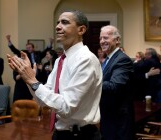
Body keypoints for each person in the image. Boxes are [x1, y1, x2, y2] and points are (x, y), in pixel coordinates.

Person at [7, 10, 102, 140]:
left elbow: (67, 107)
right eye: (57, 23)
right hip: (60, 133)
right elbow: (43, 101)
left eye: (64, 22)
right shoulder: (60, 60)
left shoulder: (86, 59)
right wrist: (28, 79)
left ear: (81, 30)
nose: (57, 26)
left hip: (81, 135)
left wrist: (33, 81)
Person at [99, 25, 135, 140]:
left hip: (117, 118)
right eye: (100, 38)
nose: (102, 41)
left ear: (117, 40)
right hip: (108, 114)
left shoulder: (122, 59)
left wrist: (91, 82)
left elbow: (114, 86)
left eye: (105, 38)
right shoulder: (109, 59)